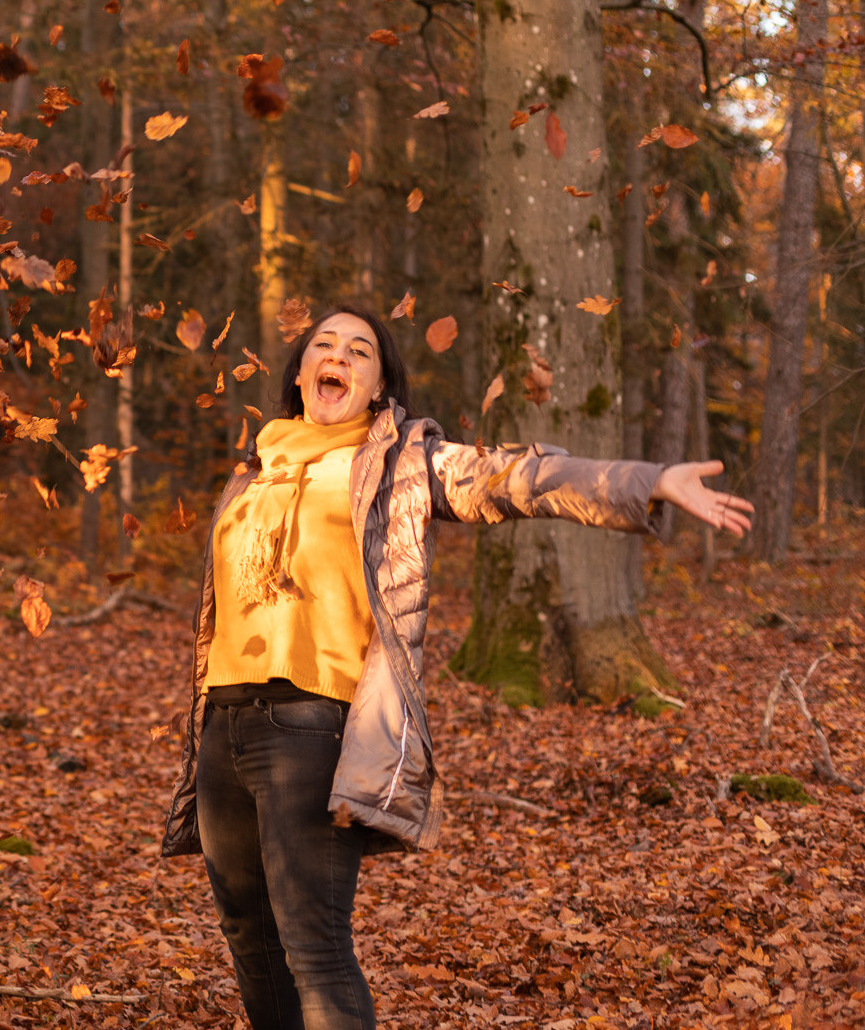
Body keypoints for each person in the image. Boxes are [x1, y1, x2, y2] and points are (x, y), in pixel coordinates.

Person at [159, 306, 753, 1030]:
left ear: (378, 384)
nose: (336, 355)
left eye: (358, 349)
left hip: (312, 725)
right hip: (223, 726)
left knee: (313, 947)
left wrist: (648, 481)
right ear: (300, 372)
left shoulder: (401, 461)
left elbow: (513, 477)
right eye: (323, 345)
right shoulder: (255, 470)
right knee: (250, 941)